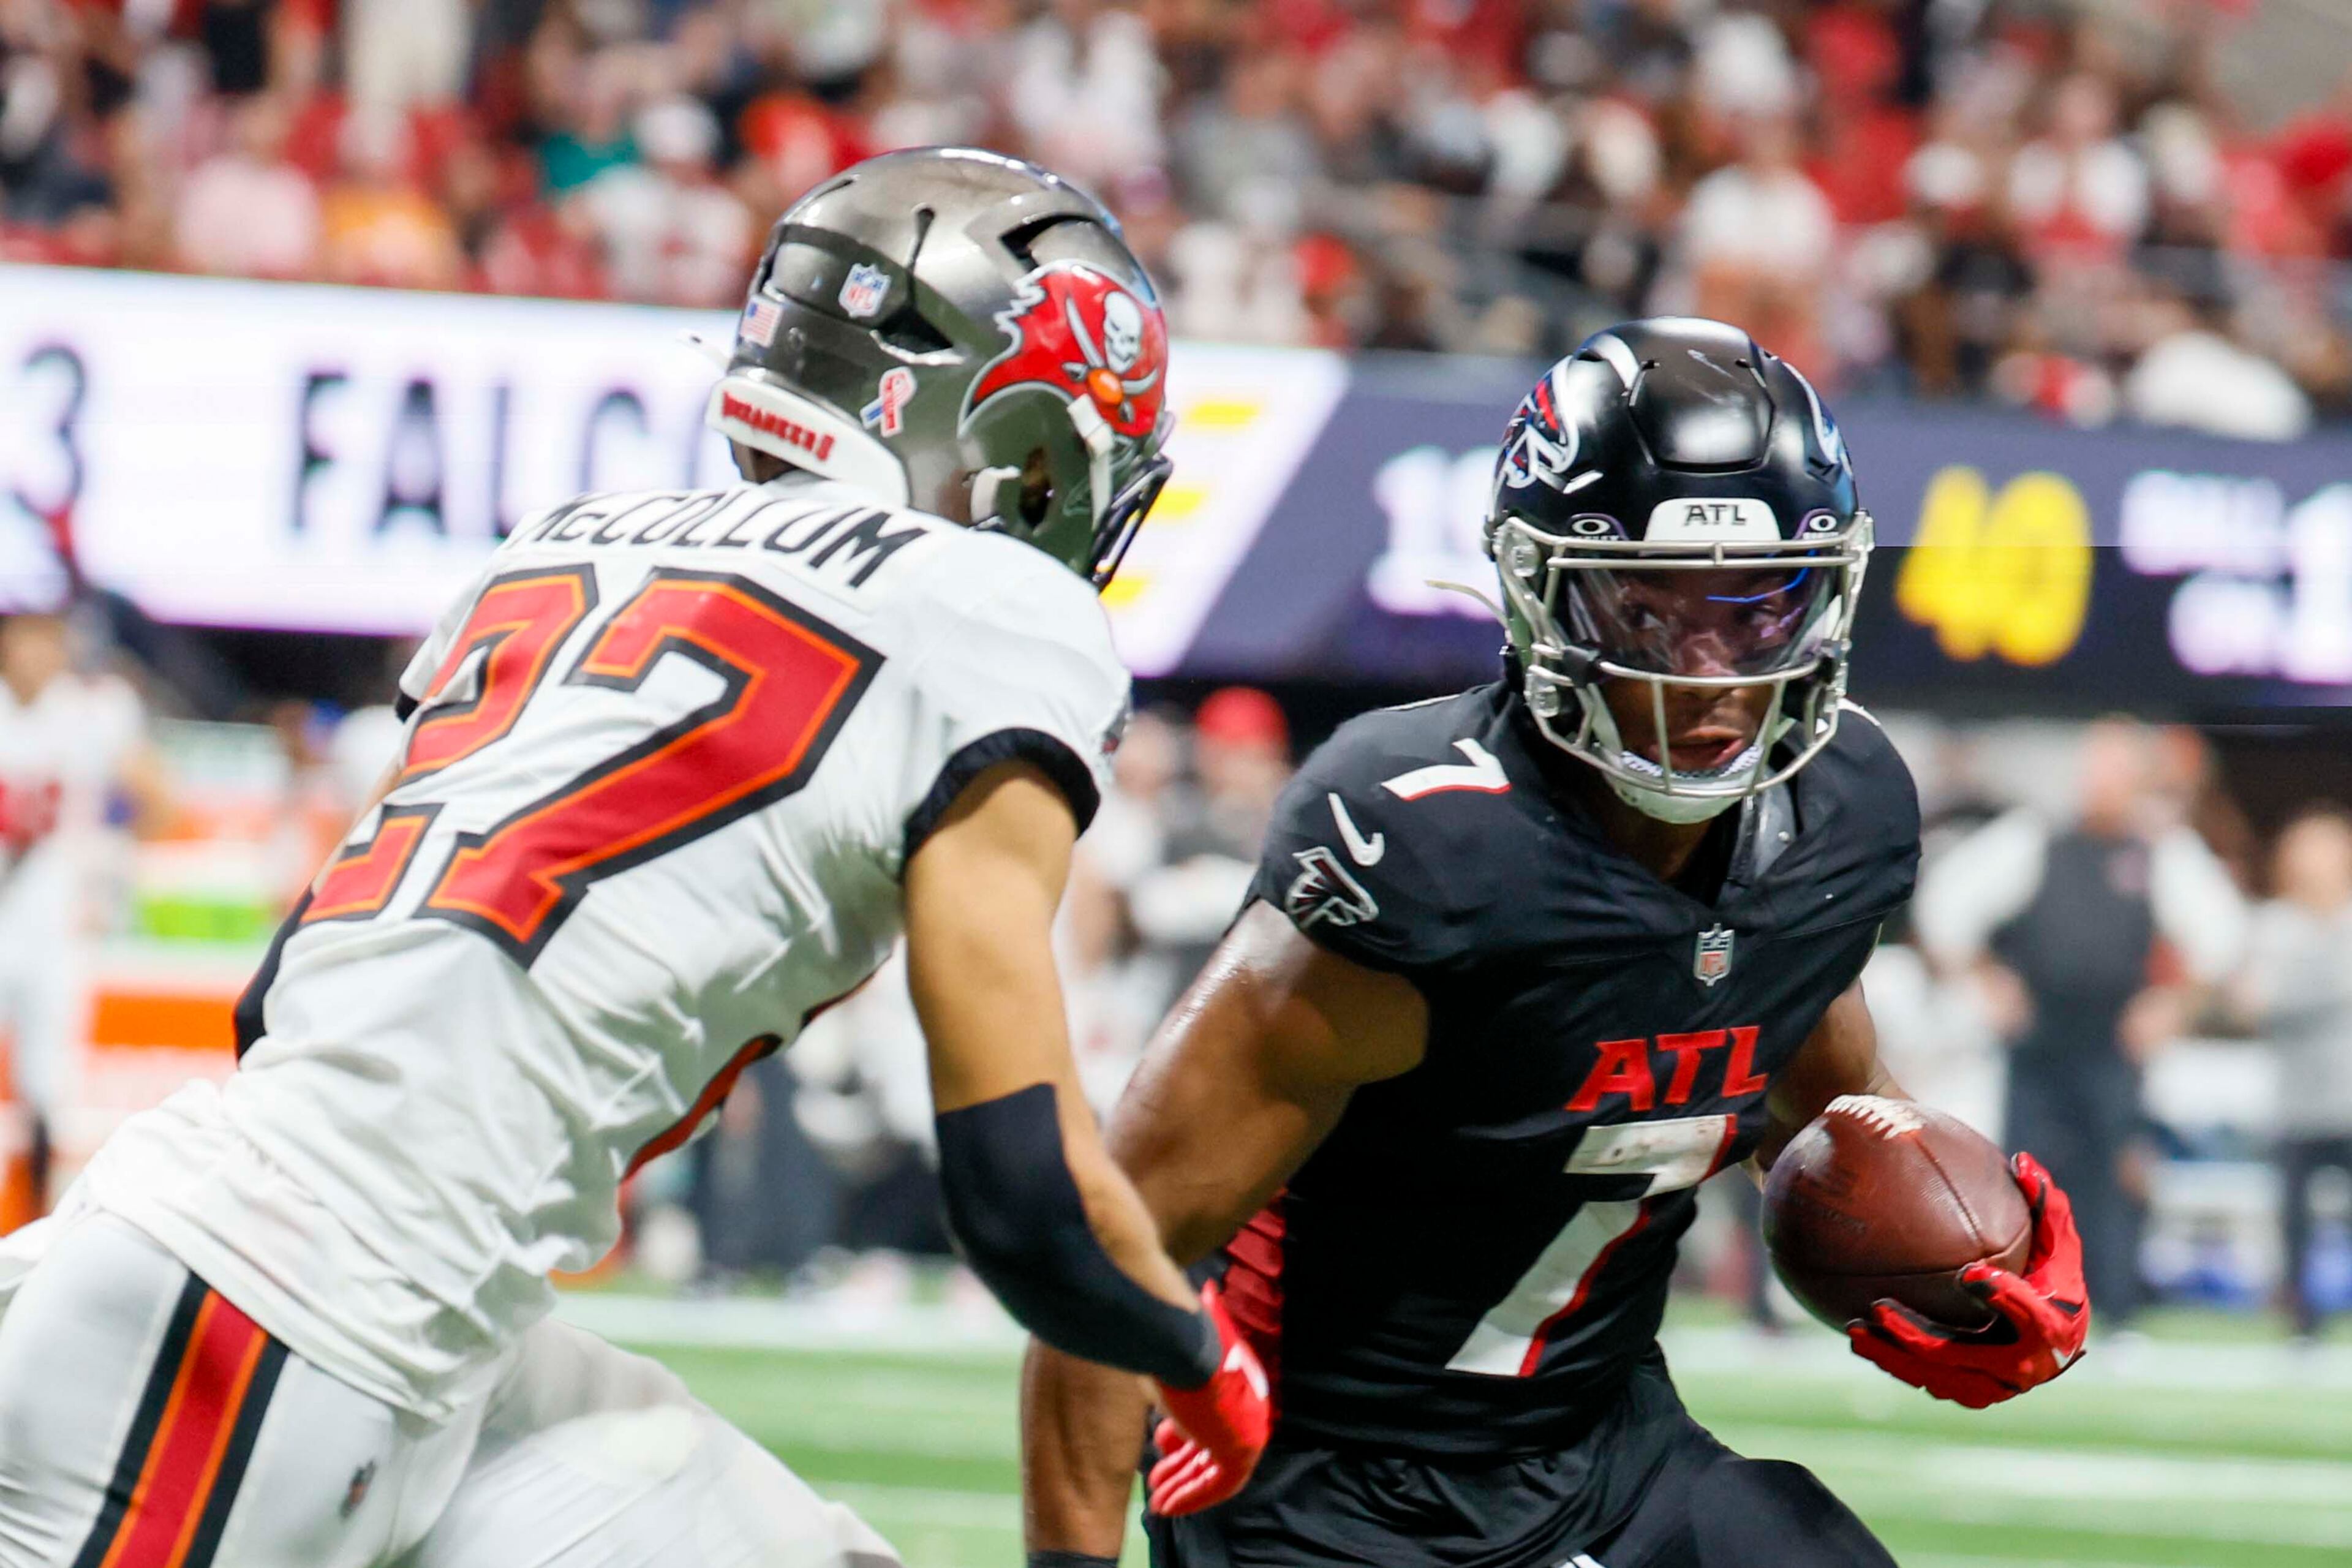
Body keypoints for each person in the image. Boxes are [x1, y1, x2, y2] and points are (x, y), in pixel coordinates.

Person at [0, 149, 1268, 1567]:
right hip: (268, 1311)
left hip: (368, 1294)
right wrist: (1206, 1362)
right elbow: (1020, 1187)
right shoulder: (990, 616)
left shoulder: (565, 543)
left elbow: (283, 989)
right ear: (1000, 427)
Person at [1023, 318, 2090, 1568]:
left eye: (1757, 606)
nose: (1710, 672)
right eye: (1647, 607)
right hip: (1318, 1481)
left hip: (1601, 1448)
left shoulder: (1834, 817)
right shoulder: (1436, 856)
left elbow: (1831, 1107)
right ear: (1540, 592)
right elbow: (1119, 1236)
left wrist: (1961, 1269)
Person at [1917, 720, 2244, 1330]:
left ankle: (2113, 1312)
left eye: (2115, 771)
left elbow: (2220, 935)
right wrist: (1986, 980)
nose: (2100, 784)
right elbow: (1946, 906)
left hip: (2114, 1044)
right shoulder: (2034, 838)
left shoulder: (2160, 850)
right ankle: (2017, 1309)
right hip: (2039, 1039)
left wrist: (2173, 1003)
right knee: (2026, 1183)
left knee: (2115, 1179)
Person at [0, 603, 171, 1218]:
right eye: (26, 640)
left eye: (49, 640)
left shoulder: (91, 712)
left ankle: (32, 1223)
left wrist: (108, 855)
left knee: (46, 1089)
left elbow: (157, 801)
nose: (38, 654)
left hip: (54, 927)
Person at [2233, 808, 2352, 1341]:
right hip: (2297, 1101)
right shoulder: (2274, 924)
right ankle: (2301, 1320)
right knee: (2294, 1219)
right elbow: (2255, 1001)